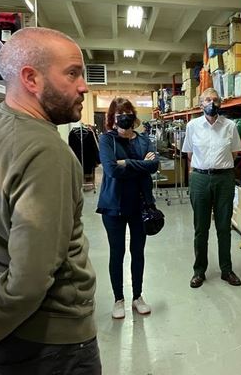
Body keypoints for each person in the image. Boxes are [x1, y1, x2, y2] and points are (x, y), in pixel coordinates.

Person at [0, 27, 101, 374]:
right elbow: (27, 283)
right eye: (72, 74)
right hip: (48, 345)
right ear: (31, 78)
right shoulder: (47, 153)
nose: (84, 87)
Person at [97, 98, 159, 319]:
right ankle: (118, 299)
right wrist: (140, 164)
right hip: (113, 206)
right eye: (119, 113)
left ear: (134, 115)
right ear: (112, 118)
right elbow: (111, 170)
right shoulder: (107, 140)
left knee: (138, 252)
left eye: (128, 112)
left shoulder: (143, 139)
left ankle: (137, 296)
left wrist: (127, 163)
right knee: (117, 252)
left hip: (140, 206)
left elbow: (154, 165)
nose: (124, 116)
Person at [182, 88, 241, 288]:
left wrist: (219, 166)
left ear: (220, 103)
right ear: (201, 104)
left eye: (215, 100)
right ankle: (199, 271)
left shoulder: (230, 126)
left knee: (224, 227)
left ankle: (226, 269)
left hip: (224, 178)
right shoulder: (192, 126)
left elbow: (234, 153)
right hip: (200, 178)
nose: (211, 103)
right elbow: (189, 154)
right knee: (201, 228)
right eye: (207, 100)